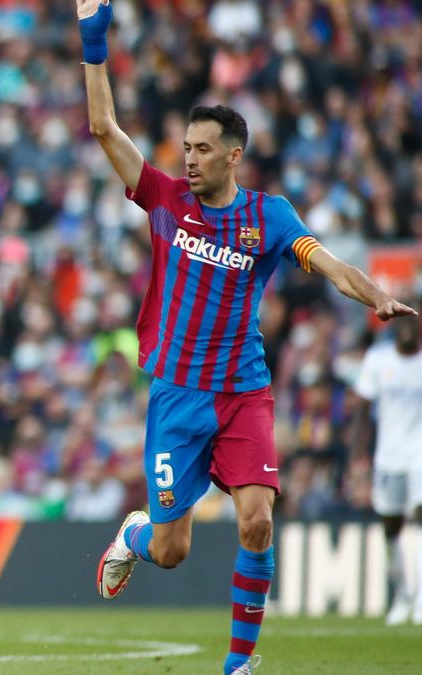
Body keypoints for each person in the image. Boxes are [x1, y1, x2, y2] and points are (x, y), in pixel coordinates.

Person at [75, 2, 418, 673]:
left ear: (234, 156)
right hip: (178, 396)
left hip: (244, 393)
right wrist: (94, 40)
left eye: (203, 150)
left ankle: (238, 664)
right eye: (186, 148)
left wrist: (372, 292)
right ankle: (136, 534)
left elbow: (326, 261)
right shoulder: (165, 199)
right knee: (172, 550)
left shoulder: (269, 217)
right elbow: (101, 126)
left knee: (256, 521)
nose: (190, 159)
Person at [353, 311, 422, 626]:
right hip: (387, 456)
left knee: (420, 518)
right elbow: (362, 412)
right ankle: (403, 595)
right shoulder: (378, 361)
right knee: (391, 528)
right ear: (394, 325)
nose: (408, 327)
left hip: (418, 455)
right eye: (403, 321)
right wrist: (358, 456)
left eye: (413, 320)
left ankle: (420, 597)